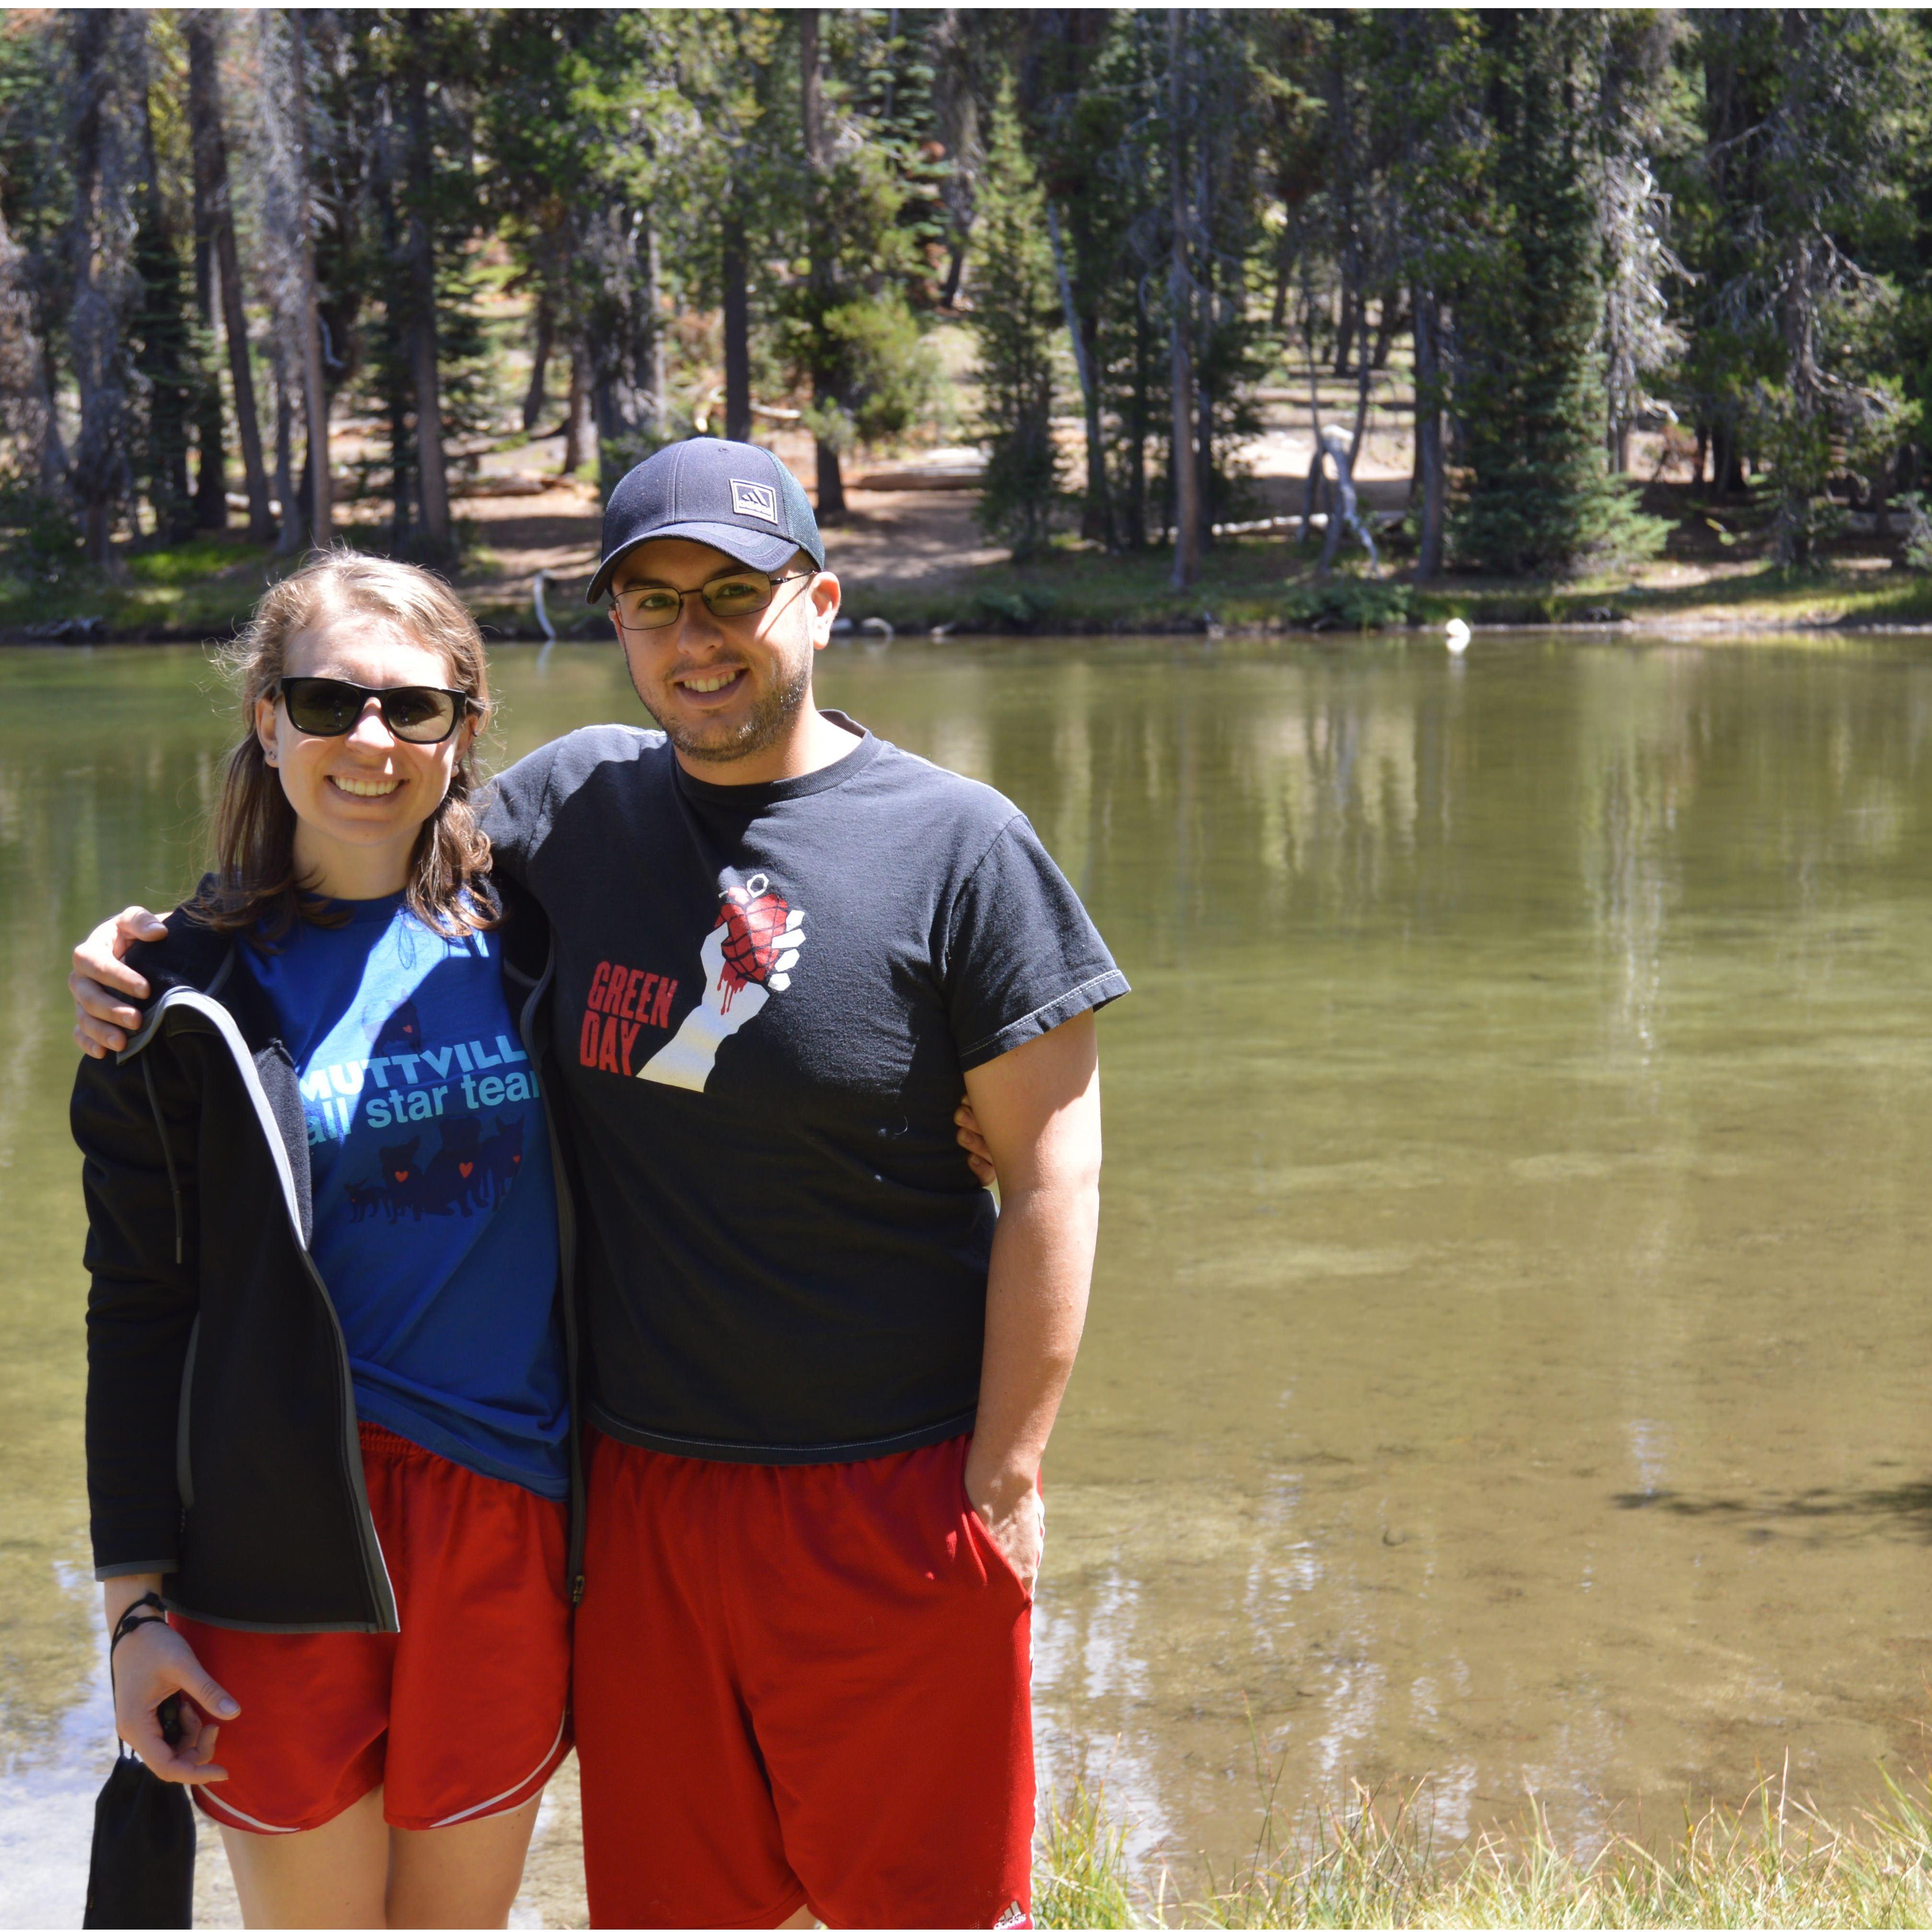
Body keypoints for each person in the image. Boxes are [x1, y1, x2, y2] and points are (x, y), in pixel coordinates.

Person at [72, 438, 1128, 1930]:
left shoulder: (944, 847)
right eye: (652, 602)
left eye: (734, 594)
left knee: (932, 1904)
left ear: (819, 600)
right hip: (586, 1507)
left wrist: (1006, 1481)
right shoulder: (556, 823)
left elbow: (1054, 1167)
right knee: (674, 1906)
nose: (695, 638)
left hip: (798, 1493)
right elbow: (348, 872)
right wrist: (145, 963)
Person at [73, 554, 577, 1929]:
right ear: (267, 720)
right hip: (277, 1537)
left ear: (464, 731)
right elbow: (136, 1306)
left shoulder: (539, 933)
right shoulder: (169, 996)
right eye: (327, 700)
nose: (370, 741)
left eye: (414, 708)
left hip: (507, 1516)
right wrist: (135, 1608)